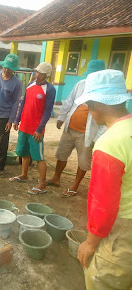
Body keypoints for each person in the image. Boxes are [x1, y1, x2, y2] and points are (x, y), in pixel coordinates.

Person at [76, 69, 132, 290]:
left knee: (103, 279)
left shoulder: (109, 143)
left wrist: (90, 243)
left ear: (97, 104)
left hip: (122, 230)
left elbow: (104, 204)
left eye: (89, 105)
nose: (90, 112)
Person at [46, 60, 106, 197]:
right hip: (70, 128)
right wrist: (61, 117)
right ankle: (56, 177)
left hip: (87, 134)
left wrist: (98, 137)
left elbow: (104, 118)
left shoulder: (103, 92)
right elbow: (69, 101)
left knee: (83, 161)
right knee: (62, 154)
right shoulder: (81, 84)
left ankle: (75, 186)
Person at [10, 62, 56, 194]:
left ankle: (42, 184)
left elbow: (47, 111)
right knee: (24, 153)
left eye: (39, 73)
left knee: (38, 157)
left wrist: (40, 129)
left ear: (46, 75)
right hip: (24, 126)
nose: (36, 75)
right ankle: (24, 175)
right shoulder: (30, 84)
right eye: (36, 72)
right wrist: (17, 120)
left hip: (36, 130)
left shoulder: (50, 89)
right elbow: (23, 103)